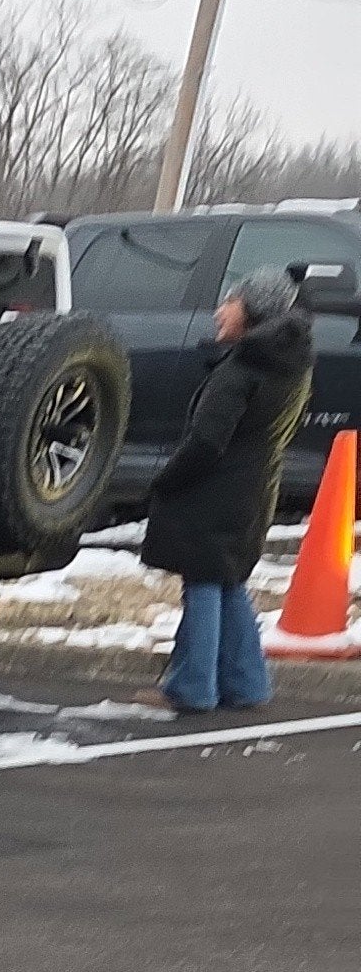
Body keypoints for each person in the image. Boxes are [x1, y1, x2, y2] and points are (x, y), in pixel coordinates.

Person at [142, 264, 318, 715]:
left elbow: (205, 440)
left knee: (203, 580)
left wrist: (166, 481)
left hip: (214, 490)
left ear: (253, 310)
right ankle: (246, 682)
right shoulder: (292, 364)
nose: (220, 311)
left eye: (230, 302)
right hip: (256, 487)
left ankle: (192, 686)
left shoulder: (243, 367)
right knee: (228, 579)